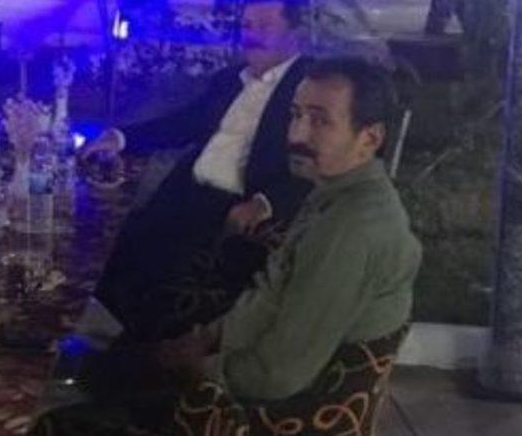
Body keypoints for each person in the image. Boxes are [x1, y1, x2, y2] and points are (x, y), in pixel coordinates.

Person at [41, 58, 421, 433]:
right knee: (106, 363)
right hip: (233, 369)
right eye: (295, 115)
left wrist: (192, 369)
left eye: (320, 121)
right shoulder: (335, 194)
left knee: (60, 418)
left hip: (252, 416)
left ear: (370, 138)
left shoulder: (351, 230)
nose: (297, 134)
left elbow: (276, 374)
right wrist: (202, 339)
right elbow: (268, 302)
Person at [85, 0, 313, 338]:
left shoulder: (307, 90)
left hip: (232, 209)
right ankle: (114, 344)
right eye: (247, 25)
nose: (251, 34)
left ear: (294, 33)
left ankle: (143, 349)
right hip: (186, 193)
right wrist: (121, 138)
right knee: (107, 246)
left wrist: (266, 203)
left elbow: (318, 162)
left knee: (159, 274)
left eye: (264, 26)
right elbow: (183, 123)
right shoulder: (230, 81)